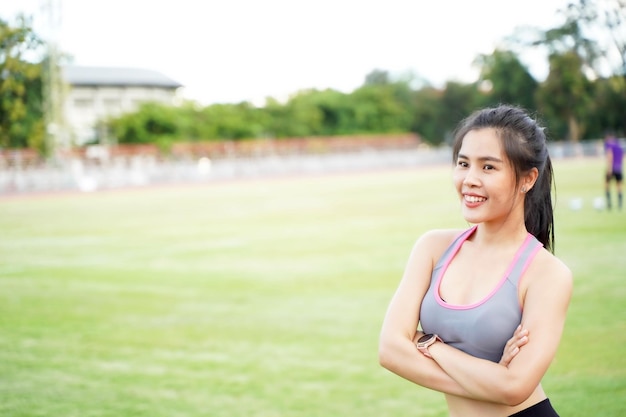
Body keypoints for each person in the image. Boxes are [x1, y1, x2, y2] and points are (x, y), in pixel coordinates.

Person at [379, 105, 572, 417]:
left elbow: (514, 388)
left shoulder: (546, 274)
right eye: (463, 163)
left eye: (488, 168)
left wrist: (429, 344)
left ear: (527, 179)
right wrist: (491, 378)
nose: (469, 179)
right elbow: (389, 349)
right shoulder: (432, 248)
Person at [604, 133, 623, 210]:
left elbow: (610, 155)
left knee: (606, 185)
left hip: (612, 168)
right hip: (619, 168)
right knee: (619, 186)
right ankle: (620, 205)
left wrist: (609, 168)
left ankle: (609, 205)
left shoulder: (609, 145)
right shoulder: (619, 146)